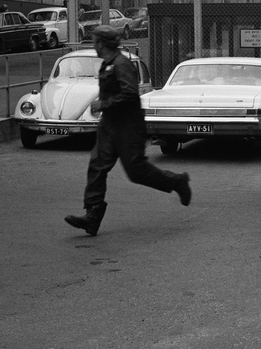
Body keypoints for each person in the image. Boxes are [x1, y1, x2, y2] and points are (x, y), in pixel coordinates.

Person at [64, 26, 191, 236]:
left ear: (102, 44)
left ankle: (177, 181)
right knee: (97, 166)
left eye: (95, 41)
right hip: (110, 126)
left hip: (128, 127)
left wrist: (102, 104)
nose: (93, 45)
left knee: (136, 172)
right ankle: (92, 217)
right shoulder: (108, 64)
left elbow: (130, 94)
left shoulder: (122, 64)